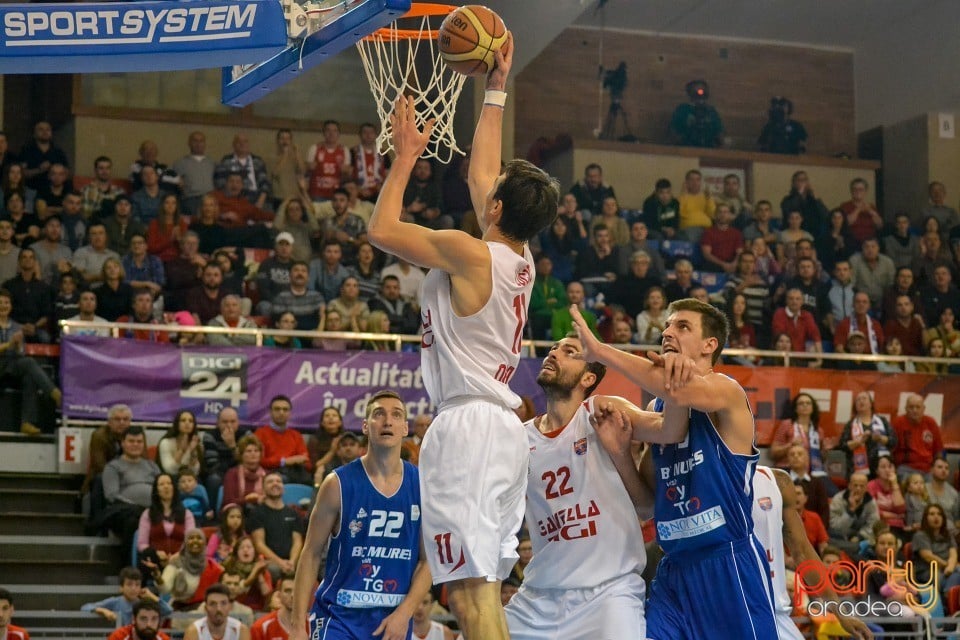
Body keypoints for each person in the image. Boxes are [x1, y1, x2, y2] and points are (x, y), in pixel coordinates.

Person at [365, 36, 559, 640]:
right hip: (502, 434)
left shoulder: (469, 252)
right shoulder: (518, 254)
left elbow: (381, 229)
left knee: (471, 600)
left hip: (470, 428)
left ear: (495, 208)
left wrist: (404, 157)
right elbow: (482, 170)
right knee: (485, 597)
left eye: (493, 192)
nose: (485, 188)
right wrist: (497, 83)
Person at [570, 298, 780, 638]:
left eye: (682, 326)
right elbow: (646, 505)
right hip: (674, 570)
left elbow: (677, 389)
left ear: (709, 345)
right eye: (667, 325)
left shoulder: (726, 391)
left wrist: (601, 350)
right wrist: (621, 454)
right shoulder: (659, 409)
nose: (667, 332)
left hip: (727, 564)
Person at [504, 334, 668, 639]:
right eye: (553, 348)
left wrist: (670, 385)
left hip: (607, 594)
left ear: (588, 377)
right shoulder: (518, 438)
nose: (554, 353)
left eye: (569, 352)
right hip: (538, 597)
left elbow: (667, 429)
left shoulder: (601, 411)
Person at [290, 390, 430, 640]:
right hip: (338, 616)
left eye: (396, 415)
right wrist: (297, 625)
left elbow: (429, 561)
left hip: (392, 619)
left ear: (405, 428)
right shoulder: (337, 484)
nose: (387, 421)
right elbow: (310, 554)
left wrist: (405, 613)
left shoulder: (422, 486)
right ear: (365, 426)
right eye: (379, 414)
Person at [749, 467, 870, 640]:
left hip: (775, 614)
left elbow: (802, 552)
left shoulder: (777, 480)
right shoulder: (705, 480)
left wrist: (839, 610)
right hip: (729, 614)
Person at [0, 288, 62, 434]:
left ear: (11, 305)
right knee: (28, 364)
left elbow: (20, 353)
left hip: (11, 364)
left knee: (29, 374)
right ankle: (55, 394)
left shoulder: (16, 326)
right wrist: (9, 344)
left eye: (6, 302)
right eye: (0, 302)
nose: (3, 306)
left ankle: (26, 422)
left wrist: (17, 346)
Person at [248, 473, 304, 581]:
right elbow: (259, 544)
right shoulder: (257, 513)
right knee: (273, 569)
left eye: (278, 481)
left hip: (291, 561)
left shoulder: (293, 513)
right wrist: (280, 562)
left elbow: (297, 541)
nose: (275, 484)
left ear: (283, 488)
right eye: (270, 482)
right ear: (263, 490)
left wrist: (292, 561)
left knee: (308, 567)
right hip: (270, 561)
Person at [158, 529, 225, 609]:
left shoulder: (212, 567)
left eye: (199, 538)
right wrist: (157, 576)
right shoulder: (176, 562)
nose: (195, 541)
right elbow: (165, 589)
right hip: (180, 609)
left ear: (204, 543)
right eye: (191, 538)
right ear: (185, 542)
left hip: (204, 610)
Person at [84, 567, 174, 626]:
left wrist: (151, 596)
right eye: (129, 584)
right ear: (121, 588)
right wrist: (103, 611)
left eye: (137, 585)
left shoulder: (144, 603)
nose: (133, 588)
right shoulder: (115, 602)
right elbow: (86, 607)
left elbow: (168, 610)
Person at [254, 395, 312, 485]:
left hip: (294, 476)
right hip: (269, 475)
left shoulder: (296, 435)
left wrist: (297, 461)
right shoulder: (260, 434)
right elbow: (258, 460)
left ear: (290, 413)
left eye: (285, 409)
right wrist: (285, 461)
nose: (281, 412)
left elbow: (305, 461)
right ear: (270, 412)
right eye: (277, 409)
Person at [838, 391, 895, 478]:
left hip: (881, 468)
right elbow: (843, 445)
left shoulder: (882, 421)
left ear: (871, 404)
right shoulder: (851, 424)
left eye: (864, 399)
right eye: (858, 400)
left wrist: (880, 438)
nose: (861, 401)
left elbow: (893, 441)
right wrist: (859, 442)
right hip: (858, 469)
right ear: (855, 406)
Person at [892, 394, 944, 477]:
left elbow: (938, 450)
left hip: (927, 469)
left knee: (933, 487)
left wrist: (936, 467)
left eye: (918, 407)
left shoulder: (931, 422)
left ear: (923, 409)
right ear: (906, 409)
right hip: (905, 468)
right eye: (911, 407)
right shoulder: (898, 423)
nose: (914, 410)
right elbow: (891, 448)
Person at [182, 584, 249, 640]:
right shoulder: (194, 631)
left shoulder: (240, 630)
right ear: (205, 608)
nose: (218, 609)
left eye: (223, 603)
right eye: (213, 604)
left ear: (229, 607)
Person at [669, 79, 723, 148]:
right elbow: (674, 134)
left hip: (708, 150)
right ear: (690, 94)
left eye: (704, 92)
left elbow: (719, 135)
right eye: (696, 92)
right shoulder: (683, 110)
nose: (700, 94)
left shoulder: (711, 112)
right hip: (686, 150)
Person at [157, 410, 203, 477]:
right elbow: (170, 470)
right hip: (171, 480)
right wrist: (181, 451)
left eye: (190, 421)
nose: (187, 423)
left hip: (190, 480)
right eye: (183, 420)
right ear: (176, 423)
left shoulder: (195, 442)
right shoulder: (166, 442)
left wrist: (192, 451)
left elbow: (195, 472)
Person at [107, 599, 172, 640]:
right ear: (133, 619)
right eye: (143, 619)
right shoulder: (118, 637)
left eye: (154, 619)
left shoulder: (163, 638)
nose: (149, 624)